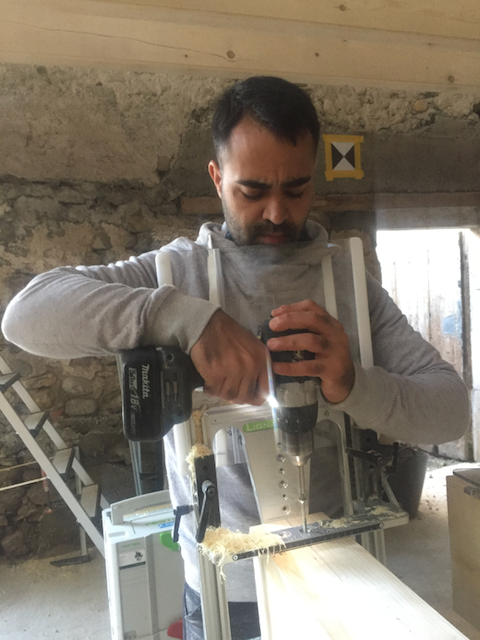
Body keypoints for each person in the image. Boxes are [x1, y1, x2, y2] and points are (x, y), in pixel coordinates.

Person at [2, 76, 469, 640]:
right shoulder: (177, 272)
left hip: (342, 568)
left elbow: (451, 410)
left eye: (296, 189)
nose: (276, 212)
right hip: (224, 588)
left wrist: (353, 384)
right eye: (252, 191)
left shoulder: (348, 282)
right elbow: (25, 315)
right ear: (217, 178)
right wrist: (181, 317)